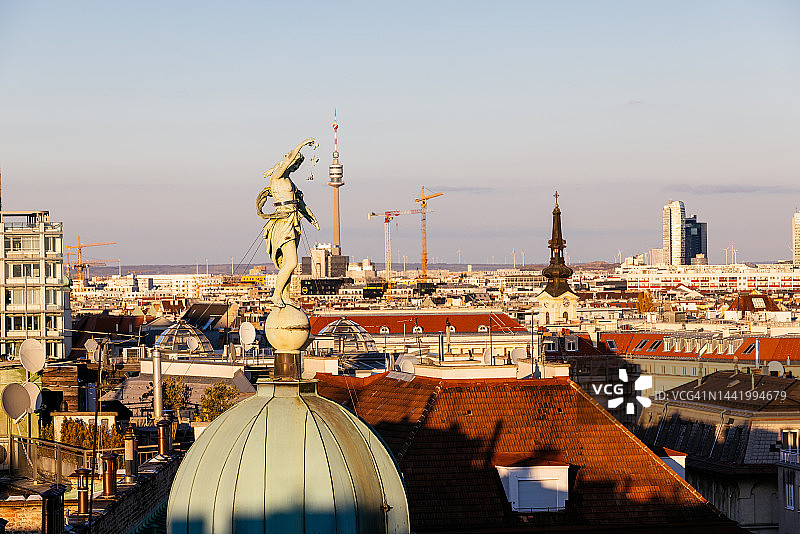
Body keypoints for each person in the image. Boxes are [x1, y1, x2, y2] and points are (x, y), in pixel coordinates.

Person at [257, 138, 319, 307]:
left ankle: (285, 295)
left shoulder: (289, 181)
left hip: (293, 220)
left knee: (288, 263)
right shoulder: (277, 177)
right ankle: (276, 295)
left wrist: (311, 217)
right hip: (283, 222)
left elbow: (299, 202)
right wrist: (304, 143)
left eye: (297, 166)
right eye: (295, 164)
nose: (295, 167)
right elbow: (288, 159)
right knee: (292, 262)